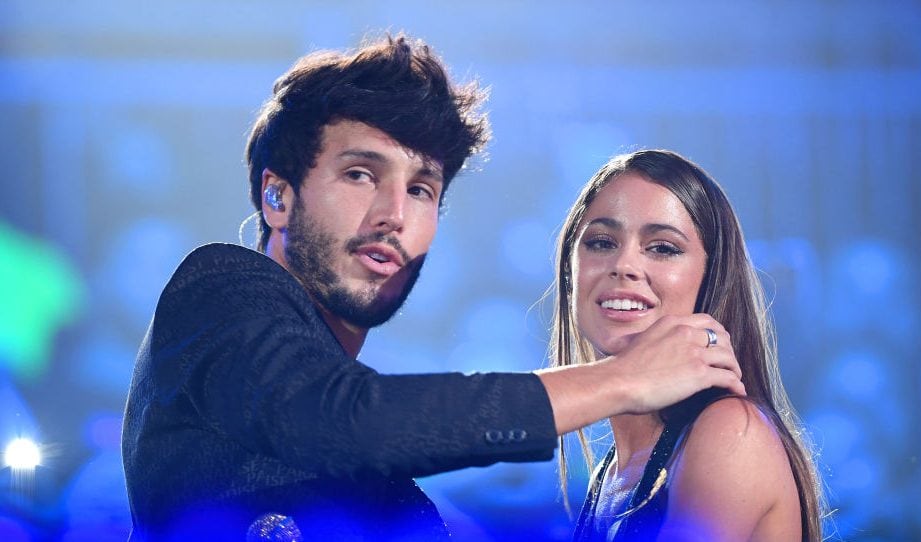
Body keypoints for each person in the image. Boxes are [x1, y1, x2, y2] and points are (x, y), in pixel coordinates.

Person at [121, 35, 746, 542]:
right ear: (277, 196)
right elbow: (339, 420)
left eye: (422, 189)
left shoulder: (390, 494)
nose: (394, 212)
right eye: (361, 173)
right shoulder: (219, 288)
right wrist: (621, 380)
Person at [550, 150, 824, 541]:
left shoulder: (728, 432)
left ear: (712, 278)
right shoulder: (612, 471)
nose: (624, 264)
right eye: (601, 242)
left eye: (662, 247)